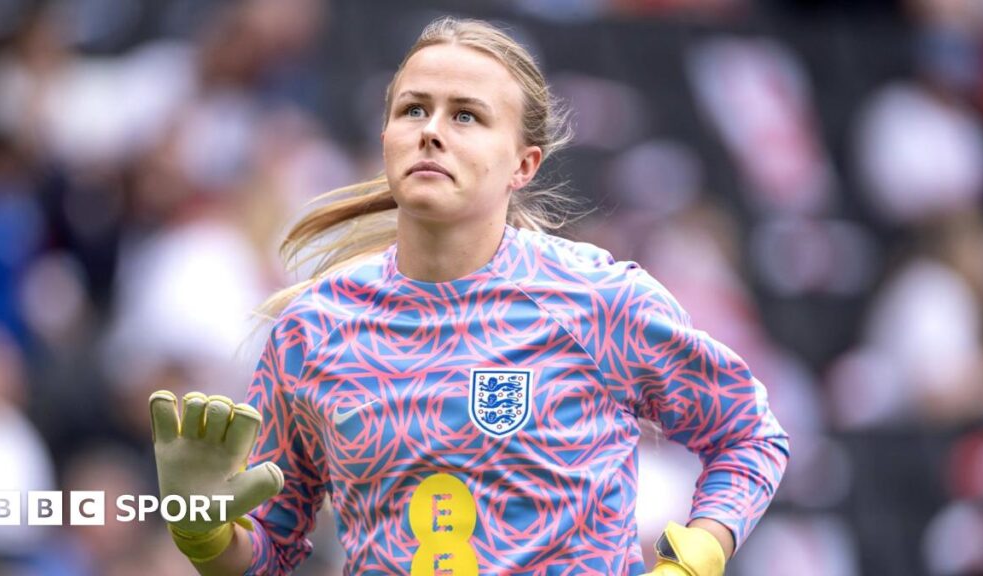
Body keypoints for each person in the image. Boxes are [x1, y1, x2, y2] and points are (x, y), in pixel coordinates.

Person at [148, 17, 789, 576]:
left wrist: (696, 555)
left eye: (466, 116)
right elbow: (269, 550)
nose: (432, 131)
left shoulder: (597, 301)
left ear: (523, 164)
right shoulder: (312, 332)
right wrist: (203, 530)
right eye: (412, 110)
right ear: (386, 138)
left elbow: (748, 435)